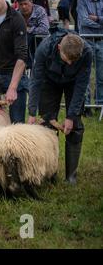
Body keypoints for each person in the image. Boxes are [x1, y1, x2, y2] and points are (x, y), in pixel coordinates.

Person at [28, 30, 92, 185]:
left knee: (75, 126)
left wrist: (71, 116)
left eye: (74, 61)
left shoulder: (87, 52)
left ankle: (71, 176)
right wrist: (32, 112)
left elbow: (81, 86)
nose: (70, 63)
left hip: (73, 83)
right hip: (49, 82)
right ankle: (50, 172)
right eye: (67, 59)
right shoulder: (44, 49)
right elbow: (36, 80)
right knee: (47, 124)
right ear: (59, 49)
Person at [77, 0, 103, 113]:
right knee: (85, 74)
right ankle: (86, 106)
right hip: (87, 41)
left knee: (101, 75)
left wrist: (97, 18)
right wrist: (101, 23)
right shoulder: (82, 0)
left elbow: (90, 20)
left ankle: (99, 104)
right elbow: (83, 20)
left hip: (101, 41)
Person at [14, 0, 49, 69]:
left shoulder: (40, 10)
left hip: (39, 43)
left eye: (26, 4)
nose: (23, 7)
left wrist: (28, 29)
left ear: (31, 2)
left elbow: (45, 29)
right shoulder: (16, 13)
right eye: (21, 4)